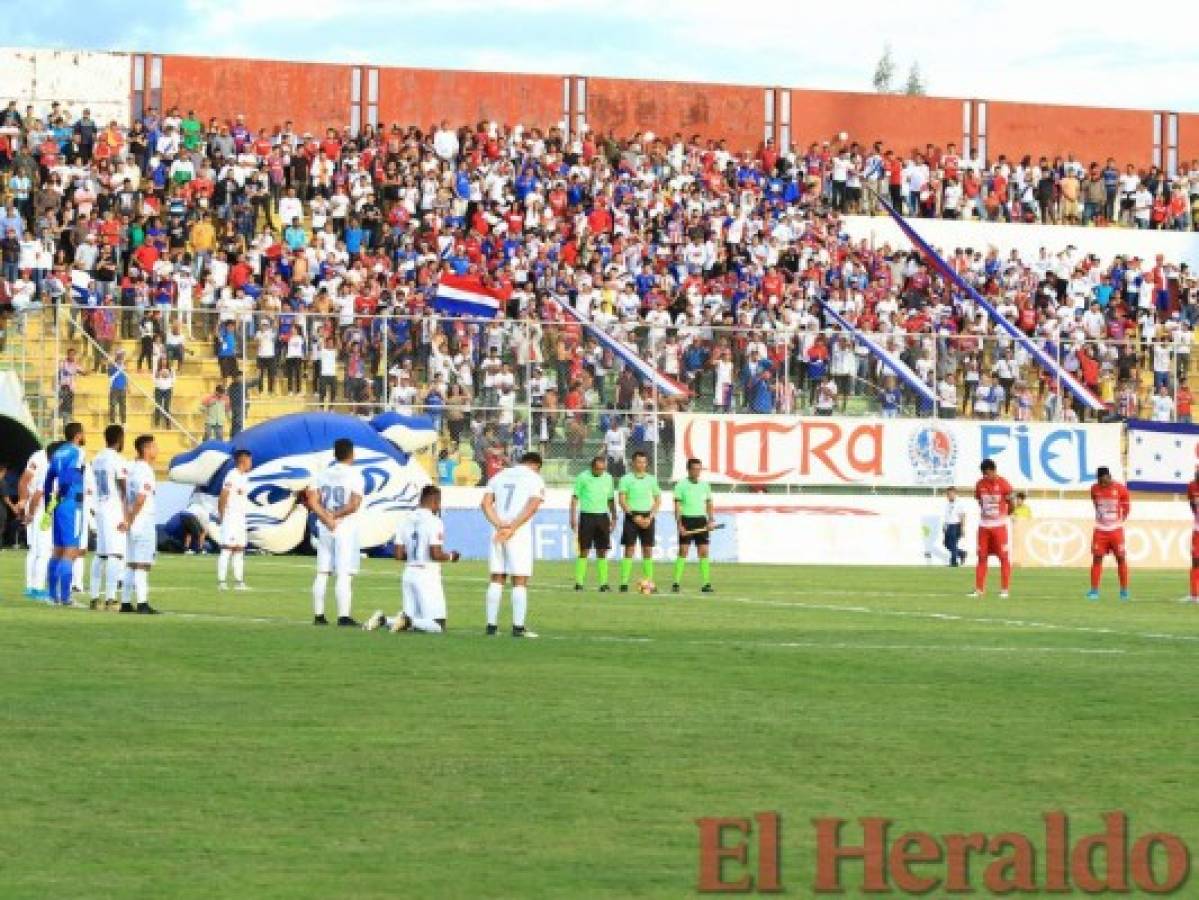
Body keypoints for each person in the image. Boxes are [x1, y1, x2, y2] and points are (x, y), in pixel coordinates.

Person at [364, 485, 461, 635]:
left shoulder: (405, 520)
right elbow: (435, 554)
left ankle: (383, 620)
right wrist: (451, 556)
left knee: (411, 621)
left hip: (409, 573)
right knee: (438, 625)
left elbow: (398, 555)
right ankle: (406, 621)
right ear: (435, 501)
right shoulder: (435, 522)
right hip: (427, 574)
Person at [480, 451, 546, 638]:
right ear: (536, 466)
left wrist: (500, 525)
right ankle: (518, 627)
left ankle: (491, 626)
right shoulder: (534, 479)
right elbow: (533, 506)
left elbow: (485, 504)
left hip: (498, 531)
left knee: (497, 577)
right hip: (518, 533)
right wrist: (512, 527)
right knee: (520, 579)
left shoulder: (499, 476)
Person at [305, 438, 364, 626]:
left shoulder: (322, 473)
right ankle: (343, 616)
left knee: (323, 571)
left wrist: (326, 518)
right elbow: (354, 504)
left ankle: (319, 615)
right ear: (351, 454)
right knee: (344, 573)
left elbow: (312, 501)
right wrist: (336, 516)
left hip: (325, 527)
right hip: (345, 527)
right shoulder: (355, 475)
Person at [43, 422, 88, 606]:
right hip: (72, 503)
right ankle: (66, 598)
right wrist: (63, 490)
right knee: (70, 551)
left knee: (58, 551)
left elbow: (48, 480)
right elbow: (67, 476)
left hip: (59, 505)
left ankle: (53, 596)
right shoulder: (77, 452)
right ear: (78, 435)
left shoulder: (58, 452)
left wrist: (49, 504)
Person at [90, 424, 129, 611]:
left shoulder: (97, 458)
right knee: (115, 554)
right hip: (113, 509)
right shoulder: (117, 459)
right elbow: (124, 487)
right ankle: (111, 598)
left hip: (99, 508)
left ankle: (94, 597)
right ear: (120, 439)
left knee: (100, 554)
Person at [121, 435, 159, 614]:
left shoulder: (132, 468)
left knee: (131, 562)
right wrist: (132, 517)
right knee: (142, 564)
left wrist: (128, 518)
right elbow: (141, 498)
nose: (156, 450)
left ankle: (126, 602)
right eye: (154, 447)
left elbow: (126, 495)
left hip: (133, 520)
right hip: (142, 520)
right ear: (146, 449)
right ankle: (142, 603)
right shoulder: (145, 470)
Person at [617, 450, 662, 593]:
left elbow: (657, 500)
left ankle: (648, 582)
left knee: (647, 549)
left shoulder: (652, 479)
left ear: (646, 463)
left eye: (643, 462)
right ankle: (624, 582)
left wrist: (650, 517)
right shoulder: (625, 479)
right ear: (633, 463)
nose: (641, 464)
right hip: (632, 516)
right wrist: (633, 516)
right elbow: (622, 500)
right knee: (629, 548)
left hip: (648, 516)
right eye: (638, 462)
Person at [570, 455, 616, 592]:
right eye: (598, 469)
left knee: (602, 550)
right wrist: (572, 517)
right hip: (587, 516)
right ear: (592, 467)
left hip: (603, 517)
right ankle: (579, 583)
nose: (600, 471)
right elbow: (574, 498)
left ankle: (603, 583)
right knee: (584, 550)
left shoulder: (608, 478)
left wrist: (614, 517)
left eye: (603, 469)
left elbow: (610, 499)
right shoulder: (582, 477)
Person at [970, 458, 1014, 599]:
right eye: (983, 474)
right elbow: (979, 500)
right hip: (984, 527)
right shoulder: (979, 484)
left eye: (987, 473)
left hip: (999, 527)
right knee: (982, 557)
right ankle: (979, 590)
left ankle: (1005, 590)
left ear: (993, 470)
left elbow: (1011, 501)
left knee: (1003, 557)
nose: (985, 476)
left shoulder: (1004, 484)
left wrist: (1007, 514)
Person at [672, 457, 715, 593]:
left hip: (701, 520)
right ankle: (676, 583)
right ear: (688, 470)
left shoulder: (705, 485)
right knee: (683, 551)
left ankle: (706, 583)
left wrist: (710, 519)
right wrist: (679, 524)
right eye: (694, 469)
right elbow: (677, 507)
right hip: (687, 520)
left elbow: (709, 503)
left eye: (699, 469)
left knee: (704, 552)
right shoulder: (681, 485)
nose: (697, 472)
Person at [1087, 466, 1131, 602]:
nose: (1102, 483)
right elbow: (1096, 505)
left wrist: (1118, 522)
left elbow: (1127, 507)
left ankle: (1124, 591)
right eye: (1099, 481)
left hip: (1116, 531)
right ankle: (1094, 591)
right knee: (1097, 559)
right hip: (1100, 530)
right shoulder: (1094, 489)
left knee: (1121, 559)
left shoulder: (1120, 488)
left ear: (1109, 476)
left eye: (1103, 480)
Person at [18, 443, 51, 600]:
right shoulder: (38, 458)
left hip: (38, 506)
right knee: (41, 550)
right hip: (37, 506)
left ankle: (31, 587)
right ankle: (36, 587)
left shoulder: (46, 459)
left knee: (36, 549)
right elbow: (24, 482)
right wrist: (23, 501)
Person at [217, 449, 253, 591]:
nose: (251, 463)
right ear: (243, 460)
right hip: (230, 516)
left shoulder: (245, 477)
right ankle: (221, 581)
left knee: (239, 549)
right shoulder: (231, 475)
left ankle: (239, 582)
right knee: (227, 548)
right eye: (250, 460)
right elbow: (223, 496)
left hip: (240, 517)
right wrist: (222, 515)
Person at [942, 486, 967, 567]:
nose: (949, 495)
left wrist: (962, 528)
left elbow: (962, 515)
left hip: (956, 525)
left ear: (955, 494)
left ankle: (953, 562)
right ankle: (962, 553)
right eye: (948, 494)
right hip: (948, 525)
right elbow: (947, 516)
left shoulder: (959, 503)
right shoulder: (947, 504)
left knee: (953, 544)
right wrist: (944, 525)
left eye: (950, 494)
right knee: (946, 544)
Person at [1187, 466, 1199, 604]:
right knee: (1195, 561)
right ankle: (1194, 595)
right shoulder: (1191, 486)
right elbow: (1191, 503)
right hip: (1197, 531)